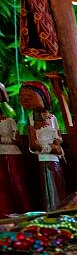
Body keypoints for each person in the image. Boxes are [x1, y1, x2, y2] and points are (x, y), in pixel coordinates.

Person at [18, 81, 66, 212]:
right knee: (42, 186)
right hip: (39, 159)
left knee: (55, 184)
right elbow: (32, 143)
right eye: (22, 98)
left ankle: (59, 209)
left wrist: (48, 147)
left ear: (43, 97)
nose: (25, 101)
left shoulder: (52, 119)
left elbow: (58, 139)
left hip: (52, 159)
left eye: (29, 97)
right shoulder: (30, 119)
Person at [0, 83, 31, 217]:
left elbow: (17, 139)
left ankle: (23, 210)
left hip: (11, 153)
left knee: (16, 181)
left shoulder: (9, 121)